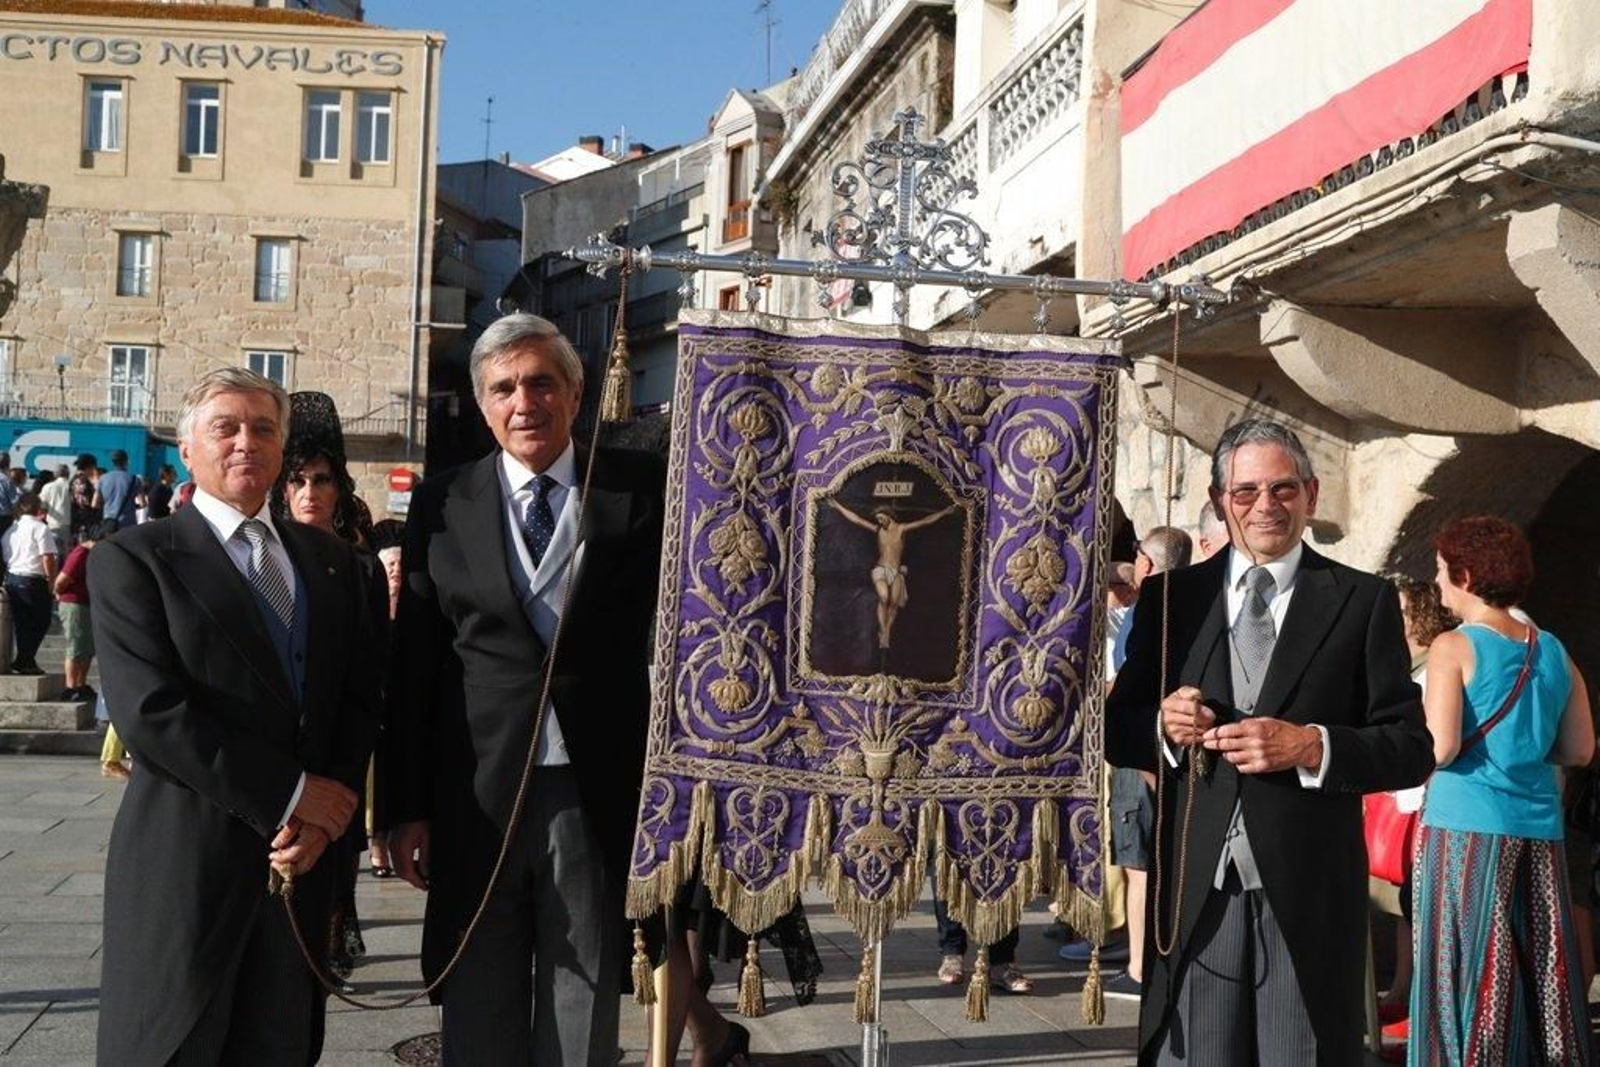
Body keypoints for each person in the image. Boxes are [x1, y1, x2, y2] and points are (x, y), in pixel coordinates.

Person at [384, 313, 665, 1065]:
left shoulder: (639, 492)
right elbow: (416, 662)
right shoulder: (443, 503)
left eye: (542, 381)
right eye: (504, 387)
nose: (524, 401)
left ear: (575, 394)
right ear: (482, 404)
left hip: (594, 784)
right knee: (477, 988)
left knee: (586, 989)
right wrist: (403, 807)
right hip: (475, 792)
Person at [1105, 417, 1433, 1064]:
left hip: (1309, 890)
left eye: (1282, 489)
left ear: (1311, 494)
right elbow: (1116, 729)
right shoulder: (1173, 596)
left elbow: (1409, 745)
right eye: (1247, 490)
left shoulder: (1361, 600)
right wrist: (1162, 729)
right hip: (1197, 889)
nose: (1265, 506)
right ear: (1221, 497)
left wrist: (1313, 746)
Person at [89, 367, 381, 1066]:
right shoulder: (135, 559)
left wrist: (326, 813)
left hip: (298, 873)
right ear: (187, 448)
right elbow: (151, 712)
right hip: (186, 870)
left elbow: (359, 698)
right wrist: (290, 794)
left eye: (263, 427)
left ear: (281, 448)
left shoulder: (338, 564)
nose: (246, 441)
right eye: (226, 426)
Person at [1408, 517, 1594, 1064]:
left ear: (1466, 575)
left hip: (1465, 824)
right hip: (1539, 827)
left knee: (1463, 968)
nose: (1438, 585)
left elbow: (1439, 747)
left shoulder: (1453, 646)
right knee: (1542, 970)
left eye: (1442, 573)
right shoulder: (1554, 649)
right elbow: (1580, 748)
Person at [272, 390, 388, 988]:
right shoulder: (260, 556)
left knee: (333, 854)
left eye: (321, 480)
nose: (310, 493)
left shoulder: (360, 567)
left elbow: (371, 669)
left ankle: (326, 944)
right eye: (298, 481)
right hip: (272, 750)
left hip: (339, 740)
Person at [1105, 526, 1193, 1003]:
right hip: (1162, 752)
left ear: (1148, 564)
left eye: (1138, 556)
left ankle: (1141, 967)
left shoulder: (1148, 615)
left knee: (1140, 866)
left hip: (1146, 753)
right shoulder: (1188, 611)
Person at [1375, 577, 1455, 1041]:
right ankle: (1404, 990)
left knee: (1420, 904)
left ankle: (1418, 999)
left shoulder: (1435, 664)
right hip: (1406, 798)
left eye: (1402, 610)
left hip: (1427, 799)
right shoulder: (1407, 664)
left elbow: (1434, 739)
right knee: (1405, 902)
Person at [55, 518, 112, 704]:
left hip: (88, 604)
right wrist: (58, 592)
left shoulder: (96, 554)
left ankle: (81, 684)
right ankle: (70, 687)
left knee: (87, 648)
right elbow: (62, 580)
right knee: (76, 646)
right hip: (74, 604)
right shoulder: (81, 553)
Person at [3, 493, 57, 675]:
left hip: (13, 578)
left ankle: (25, 659)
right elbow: (47, 556)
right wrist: (52, 581)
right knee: (42, 621)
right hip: (34, 580)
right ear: (37, 508)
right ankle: (25, 660)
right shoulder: (40, 528)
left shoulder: (11, 530)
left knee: (22, 623)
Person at [93, 449, 139, 531]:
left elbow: (94, 504)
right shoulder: (134, 479)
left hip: (109, 523)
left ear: (113, 462)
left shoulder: (102, 478)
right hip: (128, 523)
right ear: (126, 461)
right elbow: (143, 503)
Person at [69, 453, 100, 544]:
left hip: (76, 520)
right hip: (85, 522)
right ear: (89, 467)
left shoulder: (73, 479)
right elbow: (86, 502)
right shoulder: (83, 480)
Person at [40, 463, 70, 550]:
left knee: (53, 553)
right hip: (68, 526)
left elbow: (41, 506)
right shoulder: (71, 485)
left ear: (55, 475)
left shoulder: (48, 487)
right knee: (67, 556)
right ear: (68, 474)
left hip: (52, 525)